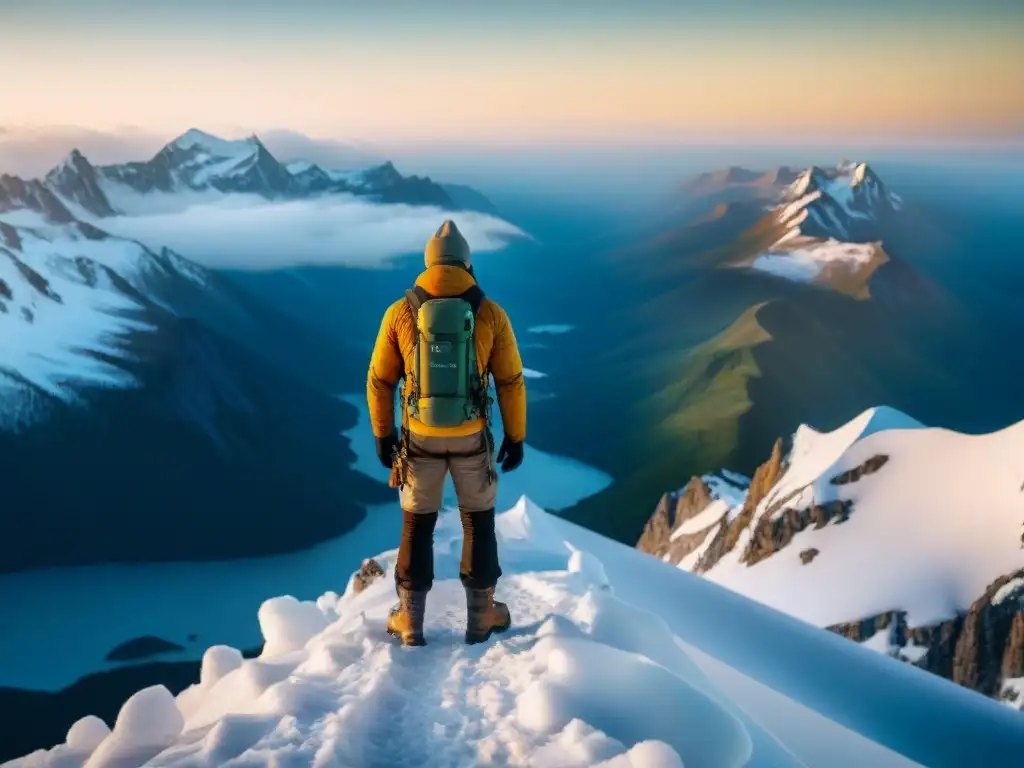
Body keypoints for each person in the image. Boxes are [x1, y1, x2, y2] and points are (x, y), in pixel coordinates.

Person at [367, 219, 526, 647]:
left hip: (419, 439)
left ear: (428, 263)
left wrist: (384, 436)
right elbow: (510, 381)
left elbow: (381, 380)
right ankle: (481, 619)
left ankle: (410, 623)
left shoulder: (401, 312)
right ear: (468, 264)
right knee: (477, 523)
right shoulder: (489, 313)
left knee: (417, 526)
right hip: (471, 436)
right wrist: (516, 436)